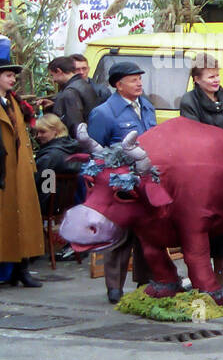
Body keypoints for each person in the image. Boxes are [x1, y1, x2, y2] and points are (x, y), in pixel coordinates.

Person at [86, 61, 156, 303]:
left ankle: (146, 282)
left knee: (147, 235)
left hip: (145, 181)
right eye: (133, 79)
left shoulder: (146, 106)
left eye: (140, 78)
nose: (139, 83)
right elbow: (94, 154)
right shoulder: (104, 113)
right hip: (119, 184)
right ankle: (114, 287)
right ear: (118, 84)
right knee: (119, 237)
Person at [179, 53, 223, 280]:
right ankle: (202, 273)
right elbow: (192, 132)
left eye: (217, 75)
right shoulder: (189, 101)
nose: (216, 80)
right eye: (210, 77)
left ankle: (220, 272)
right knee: (204, 222)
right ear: (197, 79)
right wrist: (216, 147)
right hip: (203, 168)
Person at [0, 62, 44, 288]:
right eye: (8, 75)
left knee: (22, 220)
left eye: (13, 76)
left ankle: (21, 269)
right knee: (5, 222)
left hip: (19, 168)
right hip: (4, 169)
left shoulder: (14, 102)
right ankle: (9, 270)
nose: (13, 79)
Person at [32, 114, 82, 208]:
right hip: (68, 205)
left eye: (43, 132)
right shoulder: (72, 148)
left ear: (55, 131)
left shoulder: (50, 156)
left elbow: (32, 182)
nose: (38, 136)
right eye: (37, 132)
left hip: (47, 207)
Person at [50, 55, 107, 134]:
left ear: (59, 71)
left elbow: (74, 125)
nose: (53, 80)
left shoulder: (70, 92)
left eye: (52, 75)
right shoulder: (83, 84)